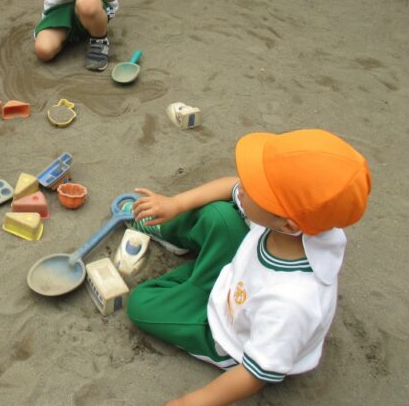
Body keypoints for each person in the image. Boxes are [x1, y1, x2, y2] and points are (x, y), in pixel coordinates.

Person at [126, 129, 371, 405]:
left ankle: (194, 282)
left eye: (254, 189)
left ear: (288, 224)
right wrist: (176, 203)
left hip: (229, 332)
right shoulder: (295, 225)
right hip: (238, 281)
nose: (242, 186)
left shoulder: (292, 302)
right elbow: (231, 185)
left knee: (140, 304)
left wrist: (191, 402)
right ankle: (180, 242)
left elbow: (256, 373)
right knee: (219, 216)